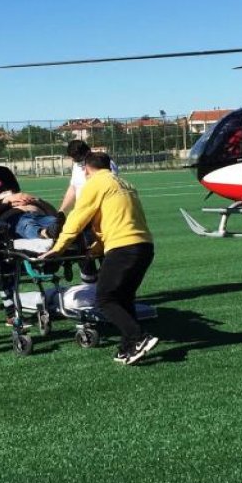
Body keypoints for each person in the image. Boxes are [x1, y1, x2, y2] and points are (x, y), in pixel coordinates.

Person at [41, 152, 157, 365]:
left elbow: (77, 218)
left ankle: (139, 337)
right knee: (123, 298)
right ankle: (128, 347)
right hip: (144, 246)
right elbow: (118, 219)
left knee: (105, 299)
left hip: (124, 247)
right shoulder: (124, 183)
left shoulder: (95, 184)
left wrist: (59, 247)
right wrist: (97, 248)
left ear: (86, 169)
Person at [0, 141, 59, 240]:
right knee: (25, 224)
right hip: (2, 218)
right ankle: (43, 234)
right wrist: (5, 200)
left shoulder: (4, 172)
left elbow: (16, 197)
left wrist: (18, 199)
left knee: (53, 222)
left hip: (24, 212)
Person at [58, 140, 118, 283]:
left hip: (101, 219)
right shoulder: (77, 167)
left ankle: (110, 287)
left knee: (105, 254)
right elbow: (73, 188)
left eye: (78, 158)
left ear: (86, 153)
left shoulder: (105, 165)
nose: (76, 162)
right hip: (83, 217)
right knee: (84, 254)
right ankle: (89, 285)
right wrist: (61, 210)